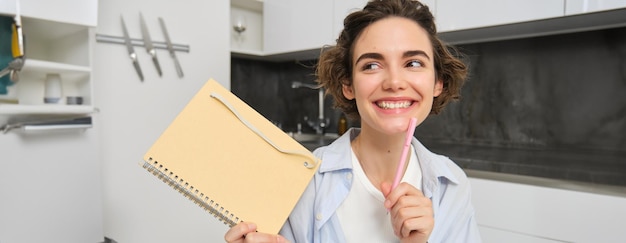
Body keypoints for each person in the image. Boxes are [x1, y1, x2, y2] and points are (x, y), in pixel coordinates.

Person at [225, 0, 481, 242]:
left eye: (413, 63)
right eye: (371, 65)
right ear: (348, 84)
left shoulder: (452, 186)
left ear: (438, 81)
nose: (394, 82)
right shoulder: (306, 184)